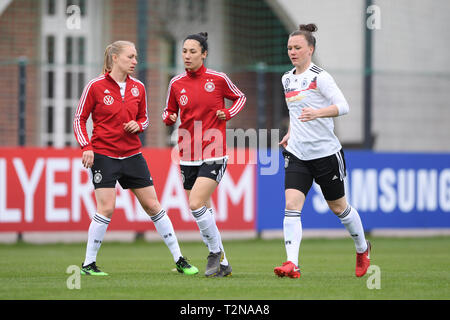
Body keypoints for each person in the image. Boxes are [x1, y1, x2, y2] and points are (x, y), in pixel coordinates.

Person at [73, 40, 198, 276]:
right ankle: (88, 264)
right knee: (106, 208)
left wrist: (137, 125)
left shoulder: (138, 87)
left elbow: (145, 119)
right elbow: (79, 118)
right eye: (130, 57)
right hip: (104, 154)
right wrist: (86, 147)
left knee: (153, 205)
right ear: (115, 58)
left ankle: (180, 259)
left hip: (132, 154)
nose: (135, 62)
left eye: (136, 57)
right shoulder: (95, 86)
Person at [274, 24, 371, 279]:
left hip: (326, 154)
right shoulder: (286, 79)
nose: (292, 52)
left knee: (339, 207)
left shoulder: (321, 77)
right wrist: (291, 133)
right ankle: (291, 263)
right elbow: (296, 114)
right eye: (289, 48)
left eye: (297, 48)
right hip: (297, 153)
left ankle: (362, 248)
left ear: (310, 49)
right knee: (291, 205)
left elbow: (343, 106)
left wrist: (318, 112)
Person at [162, 32, 246, 277]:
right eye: (184, 51)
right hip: (187, 154)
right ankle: (224, 262)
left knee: (196, 203)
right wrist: (169, 118)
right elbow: (168, 112)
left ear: (204, 54)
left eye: (193, 51)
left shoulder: (218, 79)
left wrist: (228, 113)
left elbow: (240, 97)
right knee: (202, 210)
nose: (187, 56)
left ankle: (213, 252)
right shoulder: (176, 83)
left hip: (214, 152)